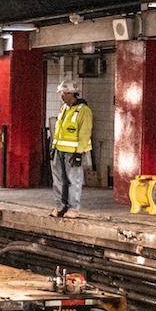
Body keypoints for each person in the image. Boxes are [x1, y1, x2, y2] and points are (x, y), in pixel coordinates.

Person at [49, 79, 92, 219]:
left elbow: (85, 133)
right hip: (59, 151)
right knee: (58, 181)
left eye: (63, 93)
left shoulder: (84, 111)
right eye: (61, 93)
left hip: (73, 153)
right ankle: (60, 206)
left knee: (74, 180)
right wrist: (54, 147)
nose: (61, 96)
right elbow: (59, 130)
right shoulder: (64, 109)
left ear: (71, 94)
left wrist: (79, 153)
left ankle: (73, 208)